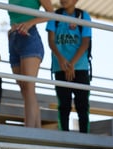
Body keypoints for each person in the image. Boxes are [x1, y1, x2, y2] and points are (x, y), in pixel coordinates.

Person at [46, 0, 91, 133]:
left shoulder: (83, 16)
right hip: (60, 67)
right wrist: (61, 59)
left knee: (82, 104)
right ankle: (63, 134)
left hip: (80, 67)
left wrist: (72, 63)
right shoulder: (55, 16)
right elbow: (51, 41)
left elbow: (85, 43)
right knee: (64, 104)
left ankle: (84, 135)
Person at [8, 0, 54, 128]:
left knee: (28, 87)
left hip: (29, 37)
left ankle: (28, 129)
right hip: (14, 39)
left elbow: (51, 13)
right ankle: (37, 128)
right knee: (24, 89)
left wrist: (29, 23)